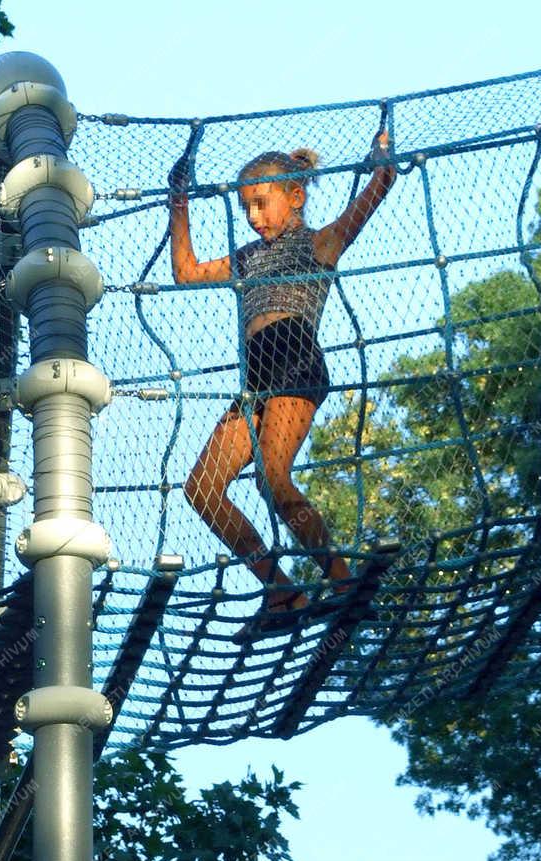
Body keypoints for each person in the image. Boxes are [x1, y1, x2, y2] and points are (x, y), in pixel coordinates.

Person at [168, 129, 396, 635]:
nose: (254, 217)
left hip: (296, 365)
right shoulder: (247, 257)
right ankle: (283, 593)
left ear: (294, 197)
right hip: (256, 380)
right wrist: (178, 202)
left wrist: (382, 159)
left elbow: (376, 191)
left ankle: (344, 585)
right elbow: (185, 272)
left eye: (262, 204)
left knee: (274, 480)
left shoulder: (320, 243)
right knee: (202, 489)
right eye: (247, 207)